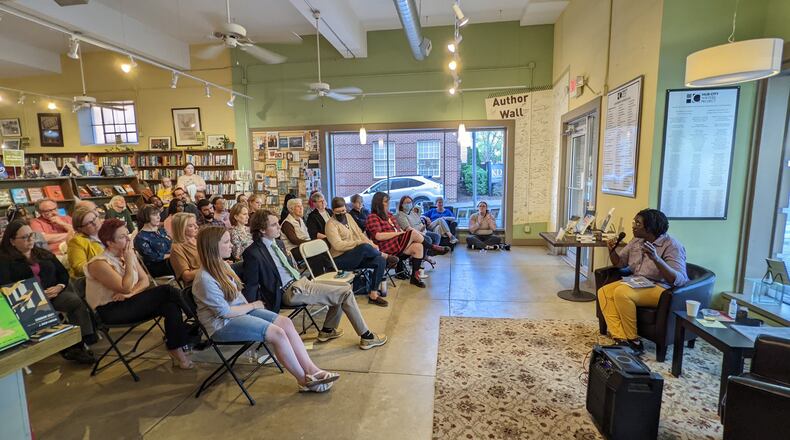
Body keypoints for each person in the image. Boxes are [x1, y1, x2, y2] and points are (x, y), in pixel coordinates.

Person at [192, 226, 339, 393]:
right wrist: (254, 305)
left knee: (285, 322)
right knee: (277, 333)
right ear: (212, 247)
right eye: (226, 242)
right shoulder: (205, 278)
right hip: (221, 324)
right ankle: (303, 380)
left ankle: (312, 370)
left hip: (238, 311)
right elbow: (224, 313)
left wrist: (250, 307)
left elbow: (237, 300)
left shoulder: (222, 266)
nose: (231, 245)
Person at [242, 209, 387, 350]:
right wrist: (252, 310)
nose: (279, 226)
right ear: (261, 229)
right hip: (289, 291)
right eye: (273, 225)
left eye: (278, 223)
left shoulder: (277, 244)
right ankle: (367, 337)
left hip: (300, 282)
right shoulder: (253, 253)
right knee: (345, 292)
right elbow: (252, 284)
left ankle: (328, 331)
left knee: (339, 290)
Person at [85, 218, 193, 369]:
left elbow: (145, 281)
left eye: (127, 234)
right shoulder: (99, 263)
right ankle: (197, 320)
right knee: (166, 290)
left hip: (130, 301)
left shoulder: (126, 253)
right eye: (122, 237)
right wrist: (129, 262)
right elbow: (125, 287)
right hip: (110, 310)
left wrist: (131, 293)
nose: (128, 239)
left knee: (170, 306)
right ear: (110, 242)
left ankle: (177, 348)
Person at [0, 220, 96, 364]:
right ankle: (69, 346)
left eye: (31, 235)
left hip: (54, 294)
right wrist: (38, 295)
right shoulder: (4, 261)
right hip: (27, 301)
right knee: (49, 309)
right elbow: (7, 286)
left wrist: (59, 286)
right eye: (25, 237)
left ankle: (80, 341)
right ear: (12, 241)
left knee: (74, 301)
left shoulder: (42, 253)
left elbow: (63, 273)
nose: (30, 239)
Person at [597, 209, 689, 355]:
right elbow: (620, 263)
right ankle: (620, 338)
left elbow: (679, 279)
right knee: (604, 292)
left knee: (622, 292)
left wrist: (656, 259)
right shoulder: (636, 240)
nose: (633, 225)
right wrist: (611, 250)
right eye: (634, 222)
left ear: (650, 228)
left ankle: (634, 341)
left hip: (661, 289)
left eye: (637, 223)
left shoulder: (672, 246)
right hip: (637, 282)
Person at [326, 197, 388, 307]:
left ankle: (373, 294)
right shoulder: (330, 224)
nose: (341, 213)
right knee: (363, 247)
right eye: (338, 212)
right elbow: (338, 245)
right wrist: (357, 243)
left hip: (355, 255)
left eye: (343, 210)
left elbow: (359, 234)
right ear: (333, 211)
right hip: (340, 258)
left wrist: (372, 244)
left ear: (346, 208)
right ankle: (384, 254)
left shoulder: (349, 217)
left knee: (380, 260)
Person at [366, 192, 426, 288]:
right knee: (413, 233)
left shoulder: (389, 215)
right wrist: (398, 234)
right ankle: (432, 247)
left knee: (418, 247)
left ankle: (415, 278)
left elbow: (399, 229)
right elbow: (378, 236)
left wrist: (401, 233)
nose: (388, 203)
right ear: (378, 203)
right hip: (386, 247)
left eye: (388, 201)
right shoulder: (372, 217)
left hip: (397, 243)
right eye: (386, 201)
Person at [396, 195, 449, 263]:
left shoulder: (412, 212)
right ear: (402, 204)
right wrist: (421, 232)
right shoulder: (401, 215)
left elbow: (419, 217)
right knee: (428, 239)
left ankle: (428, 254)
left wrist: (423, 224)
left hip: (422, 231)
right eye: (406, 203)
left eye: (410, 202)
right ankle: (422, 258)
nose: (409, 204)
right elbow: (408, 228)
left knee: (437, 236)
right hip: (414, 235)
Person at [134, 205, 173, 278]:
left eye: (159, 214)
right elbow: (152, 257)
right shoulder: (141, 237)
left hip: (171, 260)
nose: (159, 217)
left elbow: (172, 244)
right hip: (158, 266)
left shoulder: (162, 231)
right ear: (146, 216)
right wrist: (173, 255)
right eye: (155, 214)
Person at [67, 207, 105, 278]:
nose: (94, 223)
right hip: (96, 278)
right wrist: (103, 267)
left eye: (94, 218)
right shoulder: (76, 242)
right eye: (89, 223)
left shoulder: (108, 231)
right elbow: (79, 268)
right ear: (80, 228)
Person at [169, 212, 200, 286]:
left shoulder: (199, 239)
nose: (197, 227)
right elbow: (187, 276)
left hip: (210, 276)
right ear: (181, 229)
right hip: (197, 283)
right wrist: (210, 268)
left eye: (195, 223)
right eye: (191, 226)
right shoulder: (177, 248)